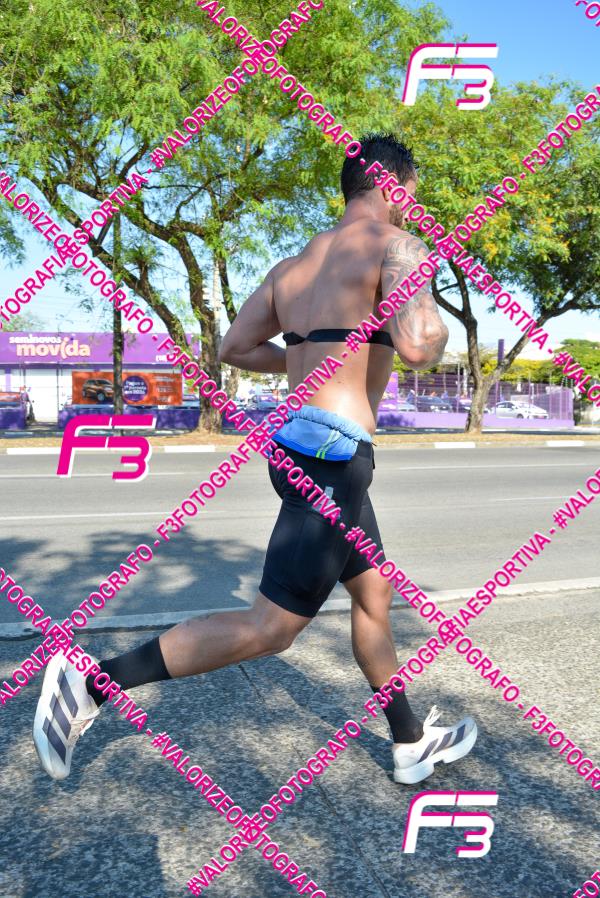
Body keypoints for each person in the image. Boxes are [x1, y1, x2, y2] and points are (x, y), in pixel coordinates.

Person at [34, 133, 477, 785]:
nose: (413, 207)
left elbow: (235, 348)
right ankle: (91, 684)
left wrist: (310, 357)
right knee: (272, 628)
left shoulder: (293, 267)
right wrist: (428, 313)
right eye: (411, 195)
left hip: (300, 443)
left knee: (373, 591)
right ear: (393, 188)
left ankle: (410, 740)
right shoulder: (399, 247)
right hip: (335, 459)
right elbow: (417, 347)